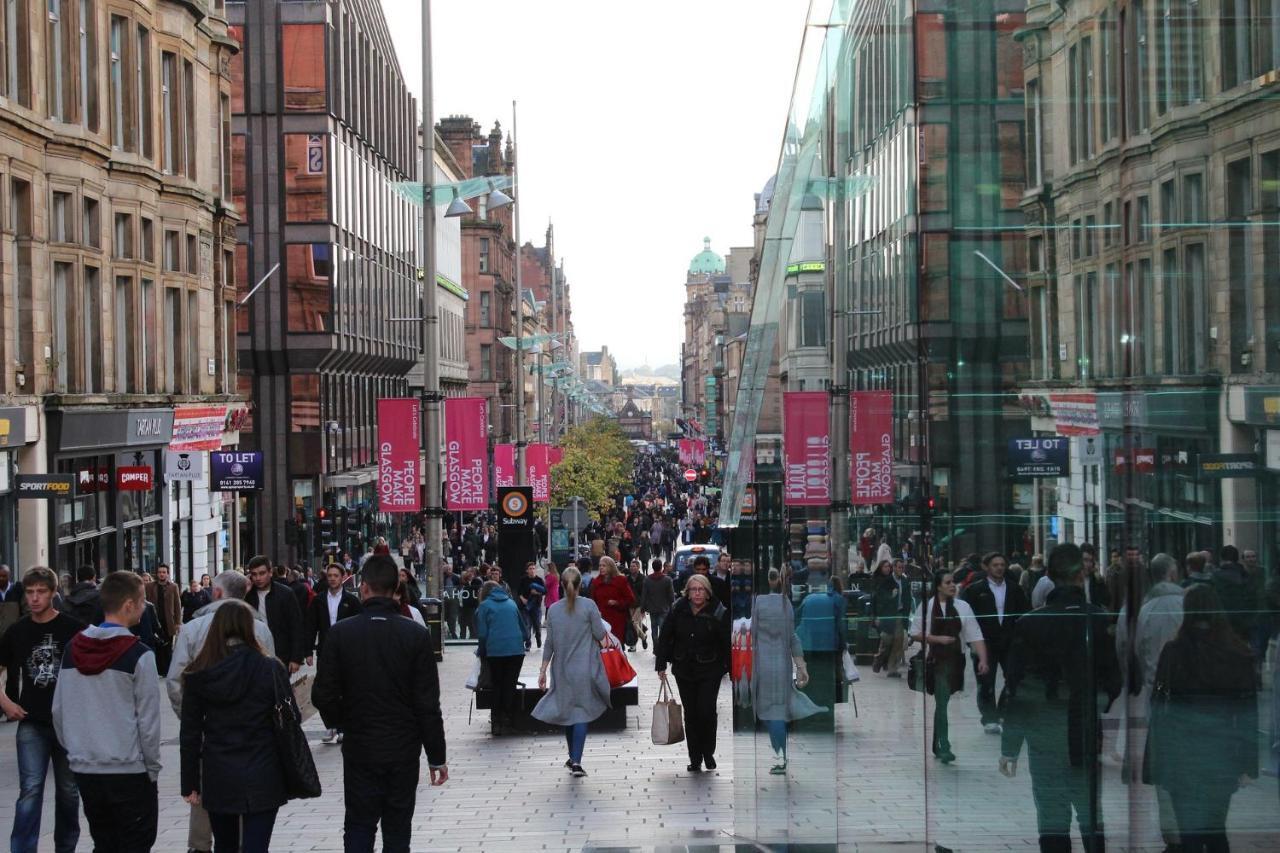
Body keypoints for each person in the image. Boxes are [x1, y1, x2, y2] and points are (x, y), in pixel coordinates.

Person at [312, 555, 448, 852]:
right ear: (396, 588)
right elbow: (427, 703)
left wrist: (344, 720)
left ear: (363, 588)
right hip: (402, 746)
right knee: (397, 827)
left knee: (360, 823)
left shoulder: (340, 634)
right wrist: (436, 755)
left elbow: (321, 694)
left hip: (361, 745)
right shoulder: (415, 634)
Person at [999, 543, 1121, 852]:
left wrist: (1010, 747)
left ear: (1050, 577)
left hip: (1043, 732)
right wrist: (1095, 700)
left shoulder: (1030, 623)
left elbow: (1016, 688)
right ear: (1082, 575)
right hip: (1083, 726)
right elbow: (1114, 681)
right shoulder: (1098, 619)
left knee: (1052, 813)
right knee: (1090, 811)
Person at [167, 570, 276, 853]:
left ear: (216, 593)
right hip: (256, 744)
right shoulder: (261, 629)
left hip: (211, 738)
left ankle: (201, 847)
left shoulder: (193, 630)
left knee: (209, 804)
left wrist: (192, 716)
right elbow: (274, 689)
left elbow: (175, 680)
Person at [52, 571, 161, 852]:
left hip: (86, 766)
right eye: (142, 601)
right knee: (136, 841)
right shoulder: (140, 655)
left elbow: (59, 711)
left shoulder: (71, 650)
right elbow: (148, 722)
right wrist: (152, 769)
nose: (144, 607)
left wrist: (77, 749)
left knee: (104, 841)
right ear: (128, 605)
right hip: (128, 768)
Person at [180, 600, 300, 853]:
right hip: (264, 768)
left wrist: (189, 781)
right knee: (257, 846)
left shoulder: (198, 673)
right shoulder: (270, 667)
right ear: (249, 629)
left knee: (225, 845)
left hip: (219, 771)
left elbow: (190, 732)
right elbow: (292, 718)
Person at [1145, 584, 1257, 853]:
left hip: (1183, 754)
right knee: (1216, 829)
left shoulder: (1175, 652)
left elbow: (1161, 706)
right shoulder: (1237, 652)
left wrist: (1155, 758)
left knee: (1190, 833)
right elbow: (1246, 711)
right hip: (1222, 753)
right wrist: (1247, 760)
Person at [0, 567, 83, 853]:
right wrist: (5, 702)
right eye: (30, 592)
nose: (34, 598)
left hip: (68, 722)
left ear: (53, 594)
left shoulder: (73, 628)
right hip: (32, 721)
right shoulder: (17, 631)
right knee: (30, 790)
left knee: (69, 792)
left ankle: (66, 847)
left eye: (41, 592)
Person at [532, 566, 610, 777]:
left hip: (561, 669)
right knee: (581, 712)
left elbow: (549, 643)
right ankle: (576, 761)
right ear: (580, 585)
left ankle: (572, 755)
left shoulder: (554, 610)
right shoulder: (588, 606)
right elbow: (600, 633)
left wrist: (542, 670)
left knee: (568, 711)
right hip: (585, 667)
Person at [910, 570, 989, 764]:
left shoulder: (963, 607)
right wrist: (937, 639)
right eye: (948, 582)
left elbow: (975, 634)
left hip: (956, 661)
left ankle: (937, 743)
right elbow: (914, 633)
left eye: (953, 582)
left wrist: (983, 660)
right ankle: (944, 744)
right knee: (943, 701)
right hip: (936, 661)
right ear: (938, 586)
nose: (953, 585)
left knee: (942, 703)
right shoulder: (927, 607)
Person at [751, 569, 824, 774]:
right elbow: (793, 637)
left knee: (769, 712)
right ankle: (781, 755)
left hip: (762, 667)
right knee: (777, 711)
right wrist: (801, 666)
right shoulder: (786, 605)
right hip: (782, 667)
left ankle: (780, 755)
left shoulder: (757, 604)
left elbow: (751, 635)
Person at [656, 573, 730, 773]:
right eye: (693, 590)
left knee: (706, 711)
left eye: (701, 590)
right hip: (684, 668)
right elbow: (665, 636)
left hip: (710, 669)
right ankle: (695, 756)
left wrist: (730, 668)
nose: (697, 594)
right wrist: (661, 664)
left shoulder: (718, 611)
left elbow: (725, 642)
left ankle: (708, 752)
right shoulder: (678, 609)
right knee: (691, 713)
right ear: (687, 593)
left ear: (707, 593)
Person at [962, 551, 1030, 735]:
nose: (999, 568)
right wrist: (973, 642)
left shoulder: (1014, 589)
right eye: (995, 565)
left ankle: (1002, 712)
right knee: (986, 681)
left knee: (1014, 678)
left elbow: (1025, 614)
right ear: (986, 567)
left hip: (1009, 642)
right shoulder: (975, 590)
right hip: (985, 643)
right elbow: (965, 616)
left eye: (1002, 565)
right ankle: (989, 718)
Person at [304, 564, 362, 745]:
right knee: (322, 692)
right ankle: (330, 725)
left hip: (346, 652)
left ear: (343, 577)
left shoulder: (351, 601)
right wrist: (307, 652)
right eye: (329, 575)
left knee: (345, 690)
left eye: (336, 575)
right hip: (325, 651)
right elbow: (310, 626)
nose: (332, 579)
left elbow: (359, 628)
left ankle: (343, 727)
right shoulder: (319, 600)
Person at [476, 579, 526, 734]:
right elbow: (524, 631)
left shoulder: (484, 607)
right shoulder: (511, 603)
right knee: (509, 685)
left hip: (495, 651)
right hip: (516, 651)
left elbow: (483, 634)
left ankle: (496, 722)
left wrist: (482, 651)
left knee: (496, 685)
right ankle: (508, 720)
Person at [243, 556, 306, 674]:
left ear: (270, 572)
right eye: (254, 574)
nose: (258, 578)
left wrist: (296, 658)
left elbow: (296, 626)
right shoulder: (247, 595)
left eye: (262, 573)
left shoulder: (286, 594)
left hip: (280, 654)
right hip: (254, 654)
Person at [796, 577, 849, 711]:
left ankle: (811, 703)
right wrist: (843, 644)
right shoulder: (839, 600)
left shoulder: (809, 598)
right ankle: (829, 703)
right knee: (831, 675)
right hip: (830, 645)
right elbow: (841, 624)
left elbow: (797, 618)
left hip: (809, 644)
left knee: (811, 674)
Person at [871, 560, 909, 677]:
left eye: (902, 568)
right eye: (898, 567)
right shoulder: (886, 581)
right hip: (888, 615)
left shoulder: (905, 581)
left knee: (898, 640)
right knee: (887, 640)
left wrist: (907, 613)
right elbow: (879, 599)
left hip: (899, 614)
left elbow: (907, 597)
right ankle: (879, 658)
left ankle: (893, 669)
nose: (900, 570)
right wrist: (890, 596)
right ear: (894, 568)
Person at [145, 563, 183, 674]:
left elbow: (177, 605)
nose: (161, 574)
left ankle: (167, 670)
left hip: (168, 621)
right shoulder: (150, 586)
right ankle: (157, 669)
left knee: (167, 646)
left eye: (164, 572)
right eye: (160, 572)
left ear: (167, 574)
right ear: (157, 574)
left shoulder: (173, 587)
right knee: (156, 645)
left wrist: (177, 622)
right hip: (154, 621)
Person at [591, 556, 635, 643]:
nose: (601, 568)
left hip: (618, 621)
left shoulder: (621, 580)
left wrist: (617, 603)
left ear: (610, 567)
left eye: (604, 566)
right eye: (600, 566)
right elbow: (592, 601)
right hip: (602, 621)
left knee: (617, 647)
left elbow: (630, 599)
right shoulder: (596, 582)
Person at [642, 558, 676, 644]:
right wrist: (673, 606)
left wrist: (643, 607)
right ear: (661, 567)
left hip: (652, 609)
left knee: (654, 629)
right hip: (664, 608)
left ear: (652, 567)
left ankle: (655, 647)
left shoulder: (647, 579)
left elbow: (644, 595)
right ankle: (662, 647)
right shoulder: (667, 580)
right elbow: (671, 596)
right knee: (663, 628)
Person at [517, 563, 547, 651]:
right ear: (527, 570)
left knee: (537, 625)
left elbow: (545, 591)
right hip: (525, 606)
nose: (532, 570)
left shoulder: (539, 580)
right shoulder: (523, 580)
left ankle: (538, 638)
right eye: (530, 568)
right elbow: (519, 591)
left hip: (536, 606)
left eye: (533, 568)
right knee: (527, 625)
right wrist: (522, 599)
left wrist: (537, 593)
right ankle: (528, 643)